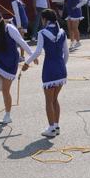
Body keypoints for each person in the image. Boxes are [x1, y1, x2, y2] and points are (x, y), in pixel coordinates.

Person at [0, 9, 33, 126]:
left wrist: (32, 55)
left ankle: (7, 115)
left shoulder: (9, 28)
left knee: (5, 91)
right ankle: (1, 77)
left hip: (11, 59)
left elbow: (21, 41)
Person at [25, 8, 69, 136]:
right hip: (61, 69)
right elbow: (66, 53)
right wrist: (61, 66)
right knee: (55, 99)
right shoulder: (62, 32)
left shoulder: (42, 33)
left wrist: (27, 63)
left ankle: (51, 128)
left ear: (45, 19)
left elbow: (38, 52)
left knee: (49, 101)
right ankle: (56, 126)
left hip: (49, 69)